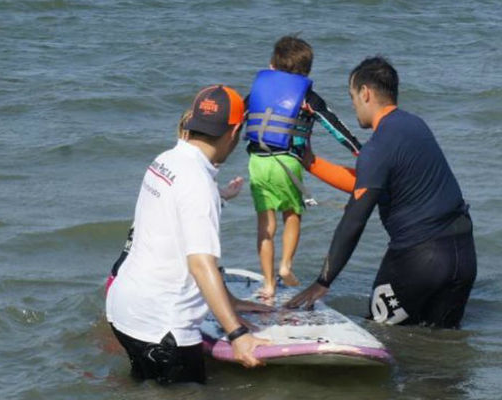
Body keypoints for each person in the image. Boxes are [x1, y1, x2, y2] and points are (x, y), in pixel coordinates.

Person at [286, 57, 477, 329]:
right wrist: (312, 163)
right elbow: (371, 182)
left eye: (352, 97)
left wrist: (323, 281)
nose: (353, 105)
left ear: (365, 93)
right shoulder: (414, 126)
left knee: (378, 336)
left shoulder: (378, 146)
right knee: (440, 345)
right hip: (463, 255)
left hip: (421, 259)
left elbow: (354, 219)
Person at [106, 85, 272, 386]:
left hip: (124, 311)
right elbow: (199, 264)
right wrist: (238, 334)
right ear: (234, 132)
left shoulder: (165, 161)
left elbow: (172, 238)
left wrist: (230, 301)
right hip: (162, 328)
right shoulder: (199, 183)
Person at [245, 35, 362, 298]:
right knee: (292, 214)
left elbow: (237, 119)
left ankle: (268, 285)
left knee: (265, 223)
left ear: (272, 65)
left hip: (257, 161)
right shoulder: (307, 97)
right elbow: (334, 126)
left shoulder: (257, 92)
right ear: (306, 70)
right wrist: (360, 151)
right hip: (287, 162)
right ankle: (285, 265)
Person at [104, 110, 245, 294]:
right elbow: (199, 258)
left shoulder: (166, 165)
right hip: (147, 287)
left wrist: (222, 195)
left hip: (121, 276)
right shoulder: (193, 177)